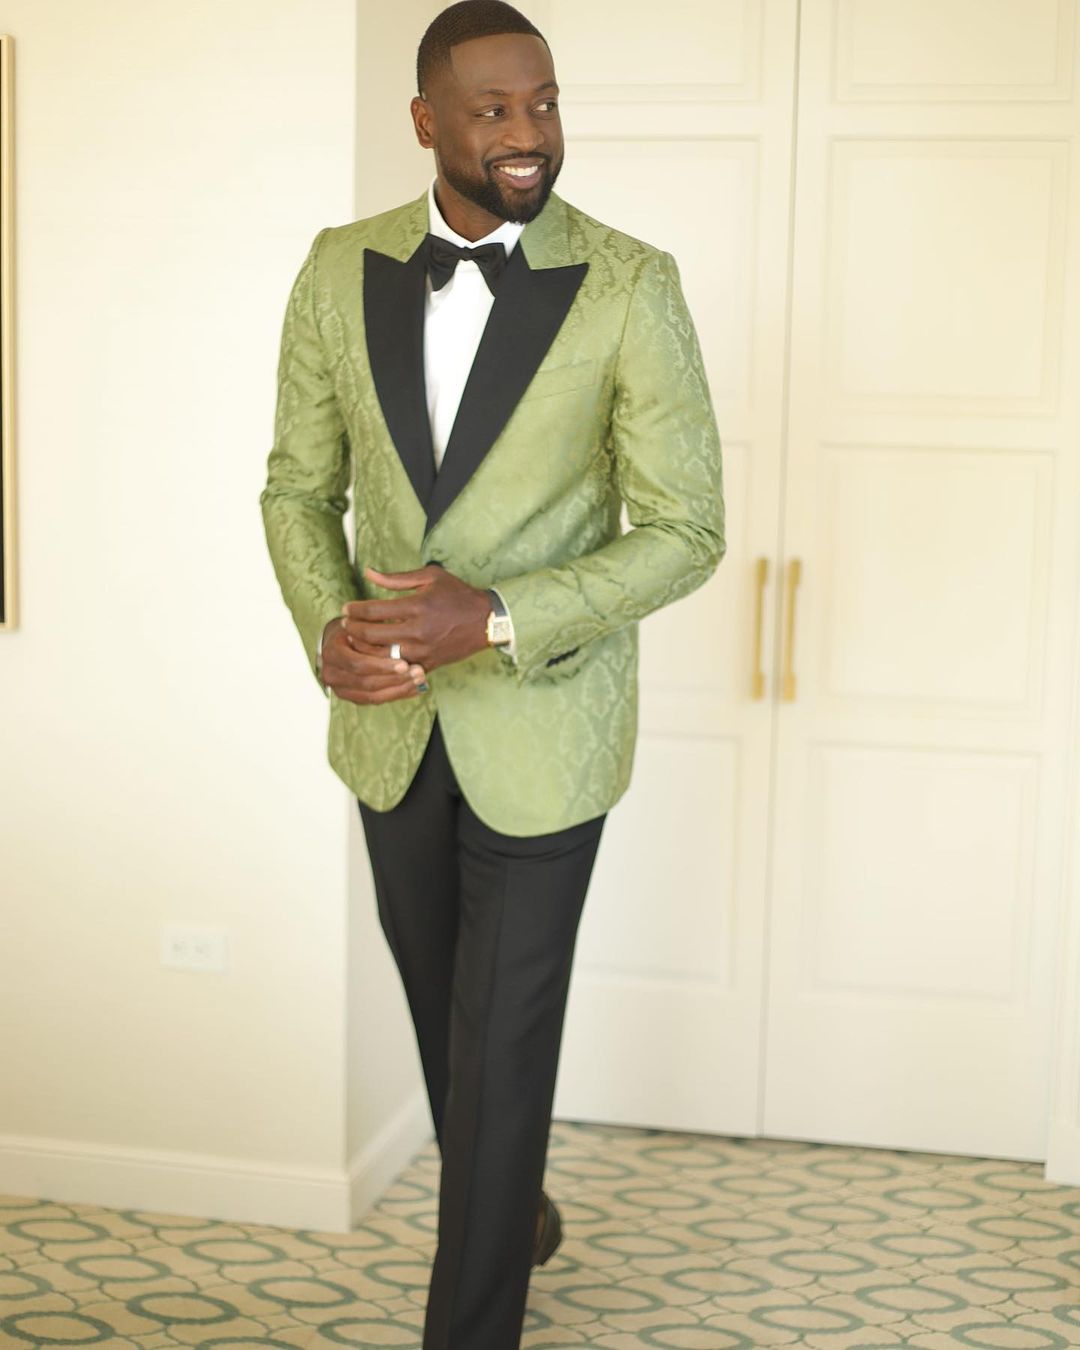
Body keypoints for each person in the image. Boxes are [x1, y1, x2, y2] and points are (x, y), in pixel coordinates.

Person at [260, 2, 725, 1345]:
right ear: (426, 121)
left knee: (502, 1043)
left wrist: (504, 616)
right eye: (495, 110)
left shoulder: (631, 283)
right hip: (392, 731)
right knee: (443, 1020)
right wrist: (331, 630)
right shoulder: (337, 268)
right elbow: (296, 490)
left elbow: (687, 529)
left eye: (546, 103)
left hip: (548, 728)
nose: (531, 133)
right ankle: (510, 1209)